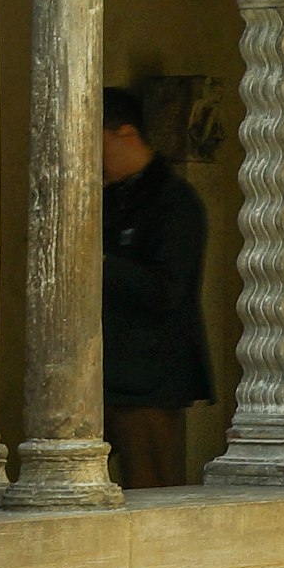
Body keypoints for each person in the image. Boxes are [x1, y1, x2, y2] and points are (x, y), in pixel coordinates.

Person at [101, 88, 212, 489]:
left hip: (150, 375)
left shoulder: (174, 202)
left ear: (124, 133)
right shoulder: (111, 198)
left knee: (152, 488)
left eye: (94, 141)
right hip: (105, 370)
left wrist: (100, 266)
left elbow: (167, 290)